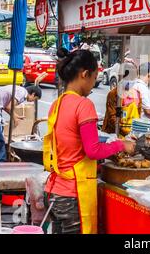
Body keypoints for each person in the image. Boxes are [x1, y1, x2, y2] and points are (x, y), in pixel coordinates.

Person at [43, 50, 135, 234]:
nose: (94, 83)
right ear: (84, 74)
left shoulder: (58, 103)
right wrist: (121, 145)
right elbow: (93, 150)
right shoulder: (83, 105)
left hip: (53, 191)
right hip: (71, 195)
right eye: (94, 77)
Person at [102, 62, 139, 135]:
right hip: (113, 134)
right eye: (128, 79)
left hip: (132, 134)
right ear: (121, 78)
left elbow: (138, 116)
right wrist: (125, 132)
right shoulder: (113, 94)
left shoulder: (137, 94)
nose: (130, 81)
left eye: (133, 79)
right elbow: (112, 118)